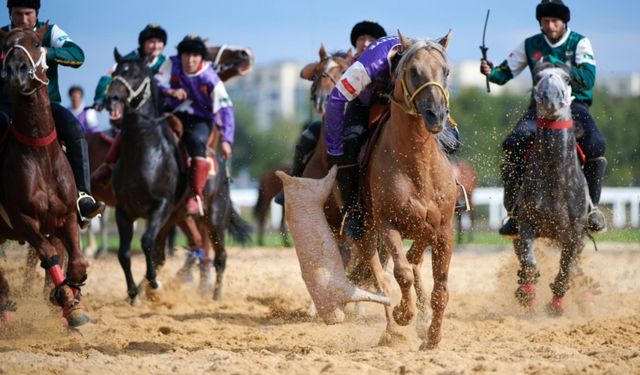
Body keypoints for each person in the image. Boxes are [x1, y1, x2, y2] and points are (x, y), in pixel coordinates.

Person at [480, 0, 606, 236]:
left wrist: (560, 66)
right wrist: (491, 72)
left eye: (555, 21)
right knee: (512, 144)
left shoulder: (579, 42)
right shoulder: (530, 45)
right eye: (545, 21)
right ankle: (515, 213)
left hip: (574, 105)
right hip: (539, 108)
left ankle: (592, 209)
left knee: (596, 144)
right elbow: (504, 73)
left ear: (564, 21)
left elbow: (588, 79)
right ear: (540, 22)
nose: (550, 26)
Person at [324, 34, 460, 240]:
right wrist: (334, 147)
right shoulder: (373, 63)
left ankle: (450, 195)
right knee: (350, 144)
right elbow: (336, 98)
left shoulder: (425, 60)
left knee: (453, 140)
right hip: (364, 101)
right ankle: (353, 212)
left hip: (407, 100)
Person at [0, 0, 105, 227]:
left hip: (46, 107)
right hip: (7, 106)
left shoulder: (51, 32)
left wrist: (46, 52)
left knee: (75, 130)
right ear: (10, 14)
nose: (24, 19)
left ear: (36, 13)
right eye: (18, 14)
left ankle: (83, 197)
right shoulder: (3, 36)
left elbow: (78, 55)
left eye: (28, 13)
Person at [274, 20, 388, 205]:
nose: (366, 42)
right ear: (355, 43)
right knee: (308, 135)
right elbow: (304, 73)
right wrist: (323, 65)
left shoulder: (386, 59)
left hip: (380, 113)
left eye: (371, 38)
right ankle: (292, 182)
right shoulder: (343, 61)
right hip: (347, 117)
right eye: (361, 38)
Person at [155, 34, 235, 216]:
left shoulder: (211, 78)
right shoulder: (171, 63)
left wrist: (226, 139)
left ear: (201, 57)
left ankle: (196, 195)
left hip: (199, 120)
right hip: (169, 113)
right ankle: (109, 167)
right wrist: (171, 91)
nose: (190, 60)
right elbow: (157, 82)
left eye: (194, 55)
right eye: (186, 55)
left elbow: (225, 109)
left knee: (195, 142)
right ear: (180, 55)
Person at [91, 23, 168, 183]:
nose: (156, 46)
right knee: (125, 130)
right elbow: (108, 79)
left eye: (159, 42)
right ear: (143, 44)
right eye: (151, 41)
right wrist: (100, 99)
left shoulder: (166, 63)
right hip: (132, 110)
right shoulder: (128, 60)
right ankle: (108, 166)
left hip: (160, 111)